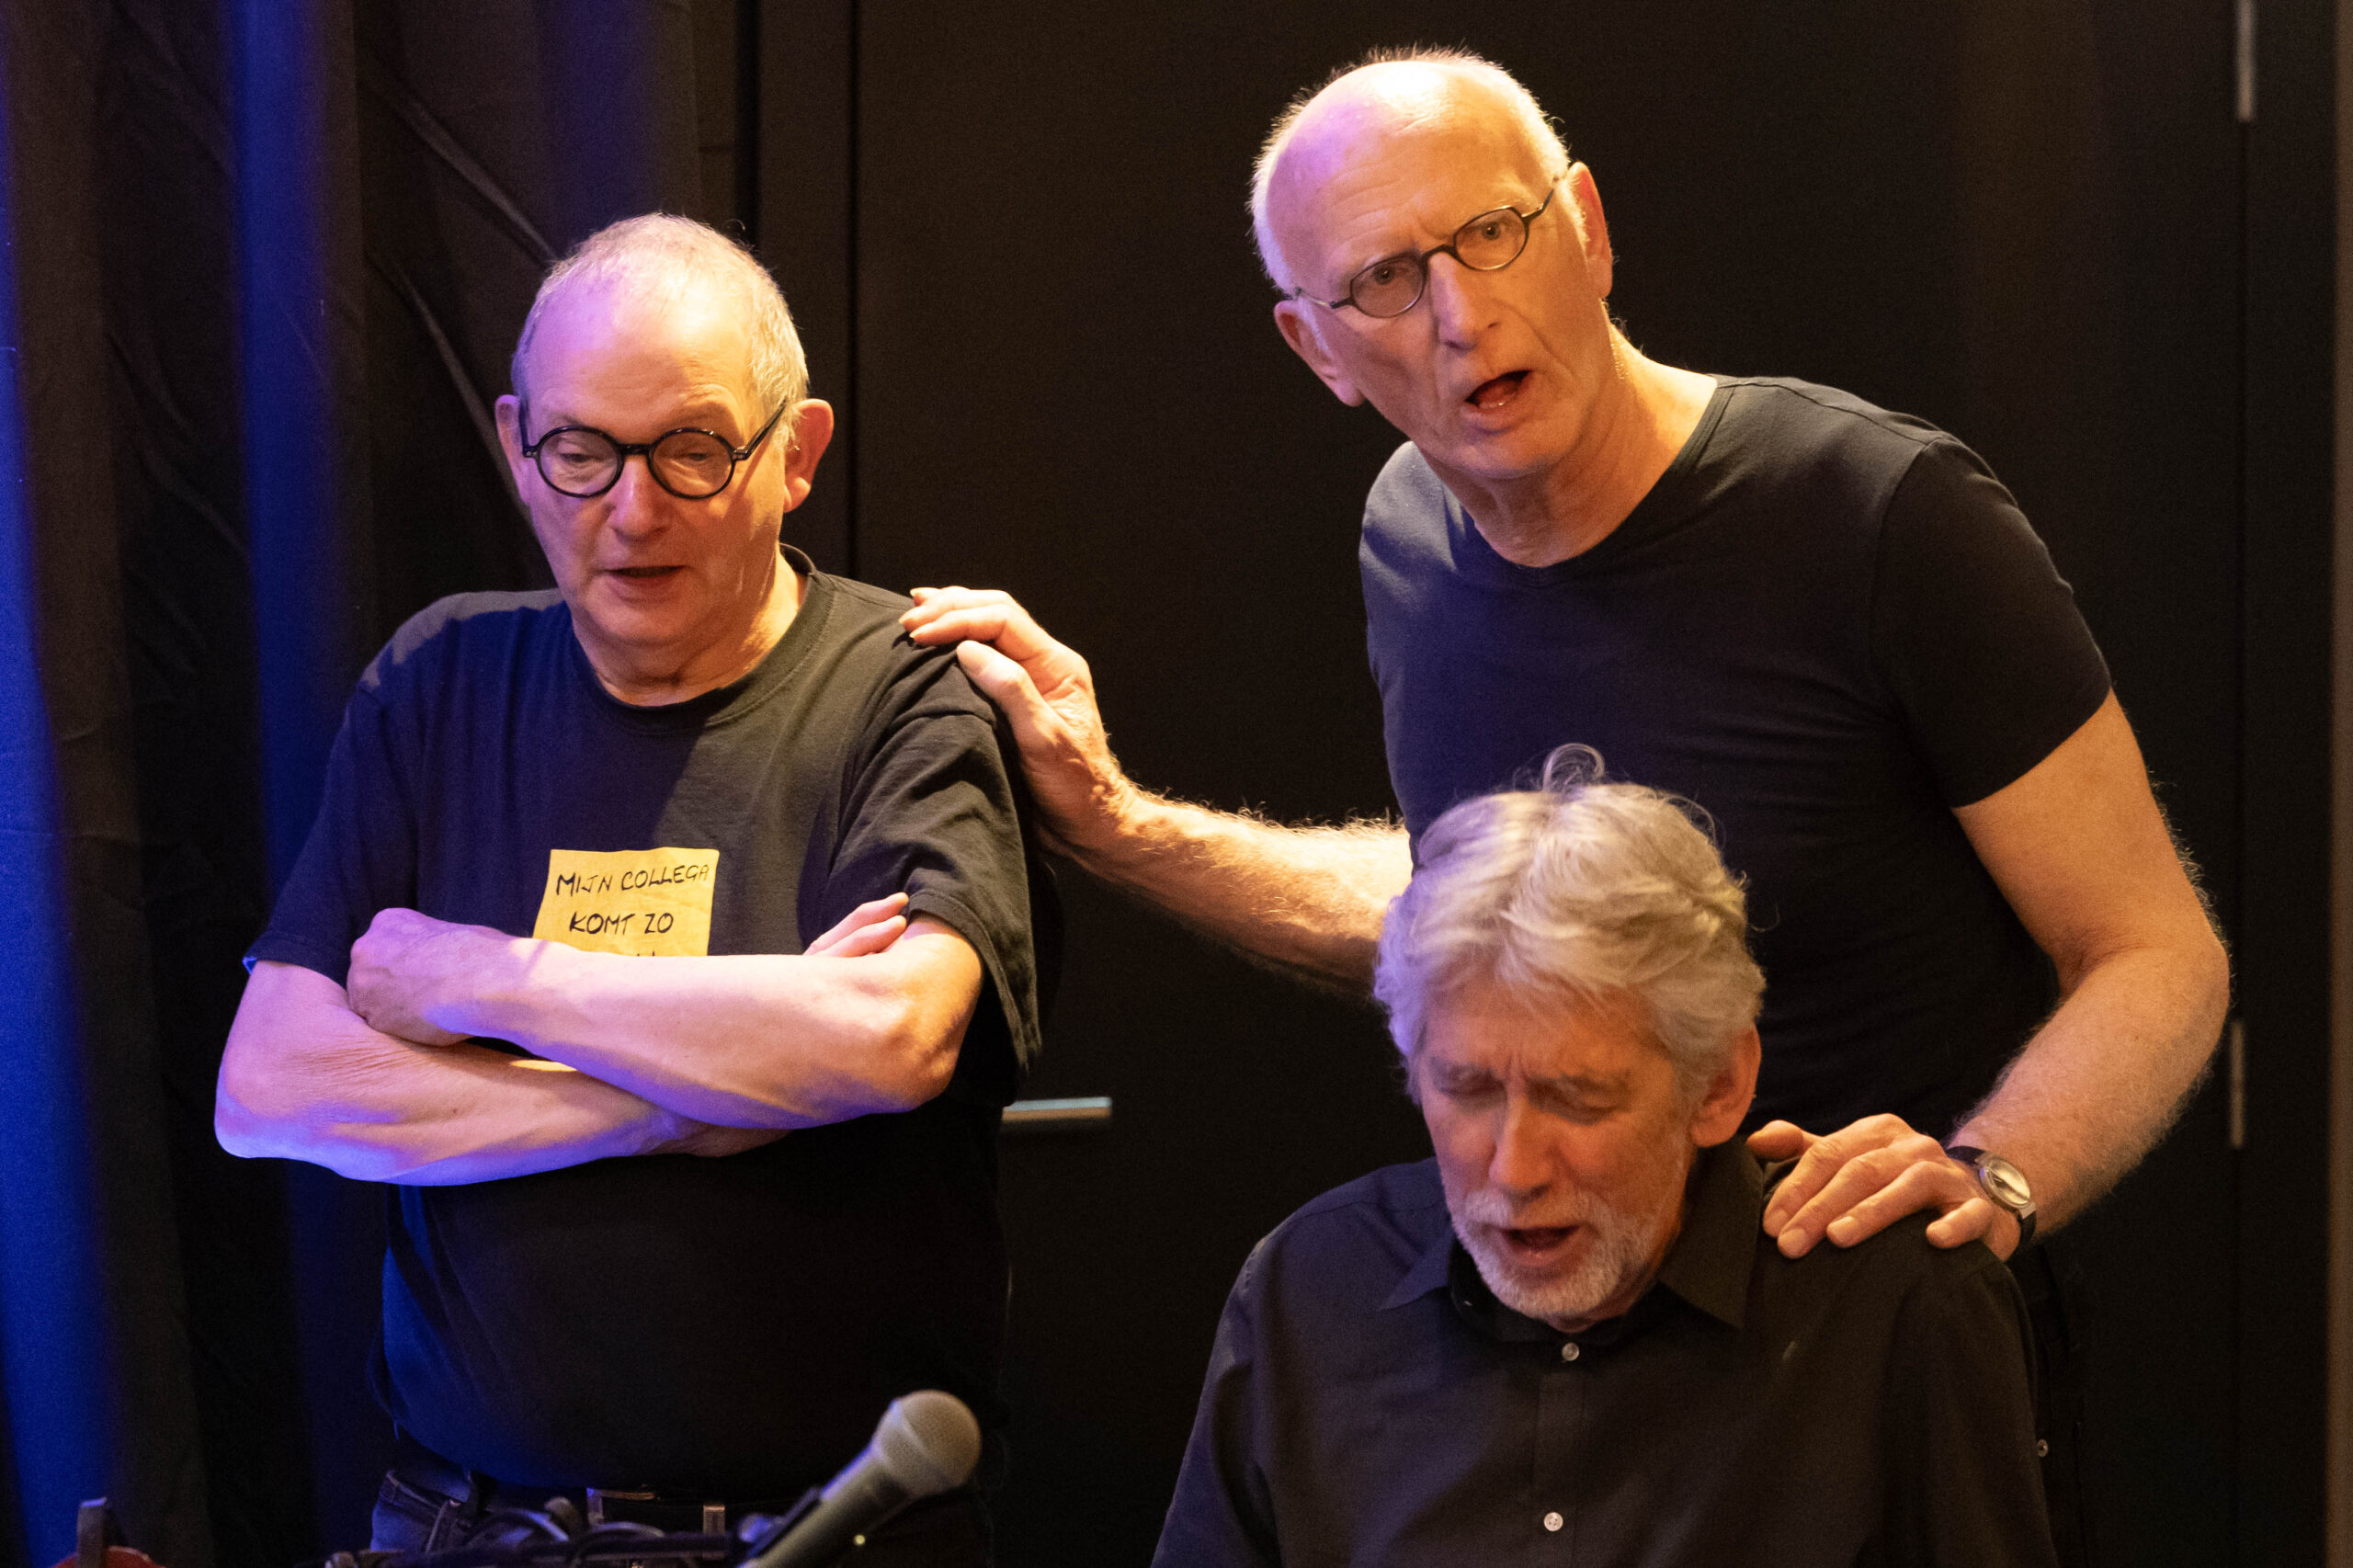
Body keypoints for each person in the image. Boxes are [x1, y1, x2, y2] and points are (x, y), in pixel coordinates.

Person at [899, 47, 2227, 1562]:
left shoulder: (1878, 516)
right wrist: (1122, 822)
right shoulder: (1409, 539)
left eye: (1493, 233)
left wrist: (1992, 1172)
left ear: (1587, 227)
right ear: (1317, 347)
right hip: (1568, 1354)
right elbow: (1482, 913)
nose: (1463, 314)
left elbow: (2157, 952)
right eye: (1386, 279)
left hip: (1869, 1352)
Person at [214, 214, 1042, 1564]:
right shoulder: (439, 682)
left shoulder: (904, 686)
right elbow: (272, 1086)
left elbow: (892, 1035)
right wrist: (686, 1102)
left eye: (694, 450)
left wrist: (482, 980)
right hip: (459, 1526)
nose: (634, 510)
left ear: (796, 454)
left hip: (829, 1533)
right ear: (517, 446)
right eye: (581, 452)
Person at [1153, 757, 2061, 1567]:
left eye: (1577, 1098)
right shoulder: (1311, 1287)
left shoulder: (1896, 1306)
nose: (1514, 1169)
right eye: (1467, 1089)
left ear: (1719, 1084)